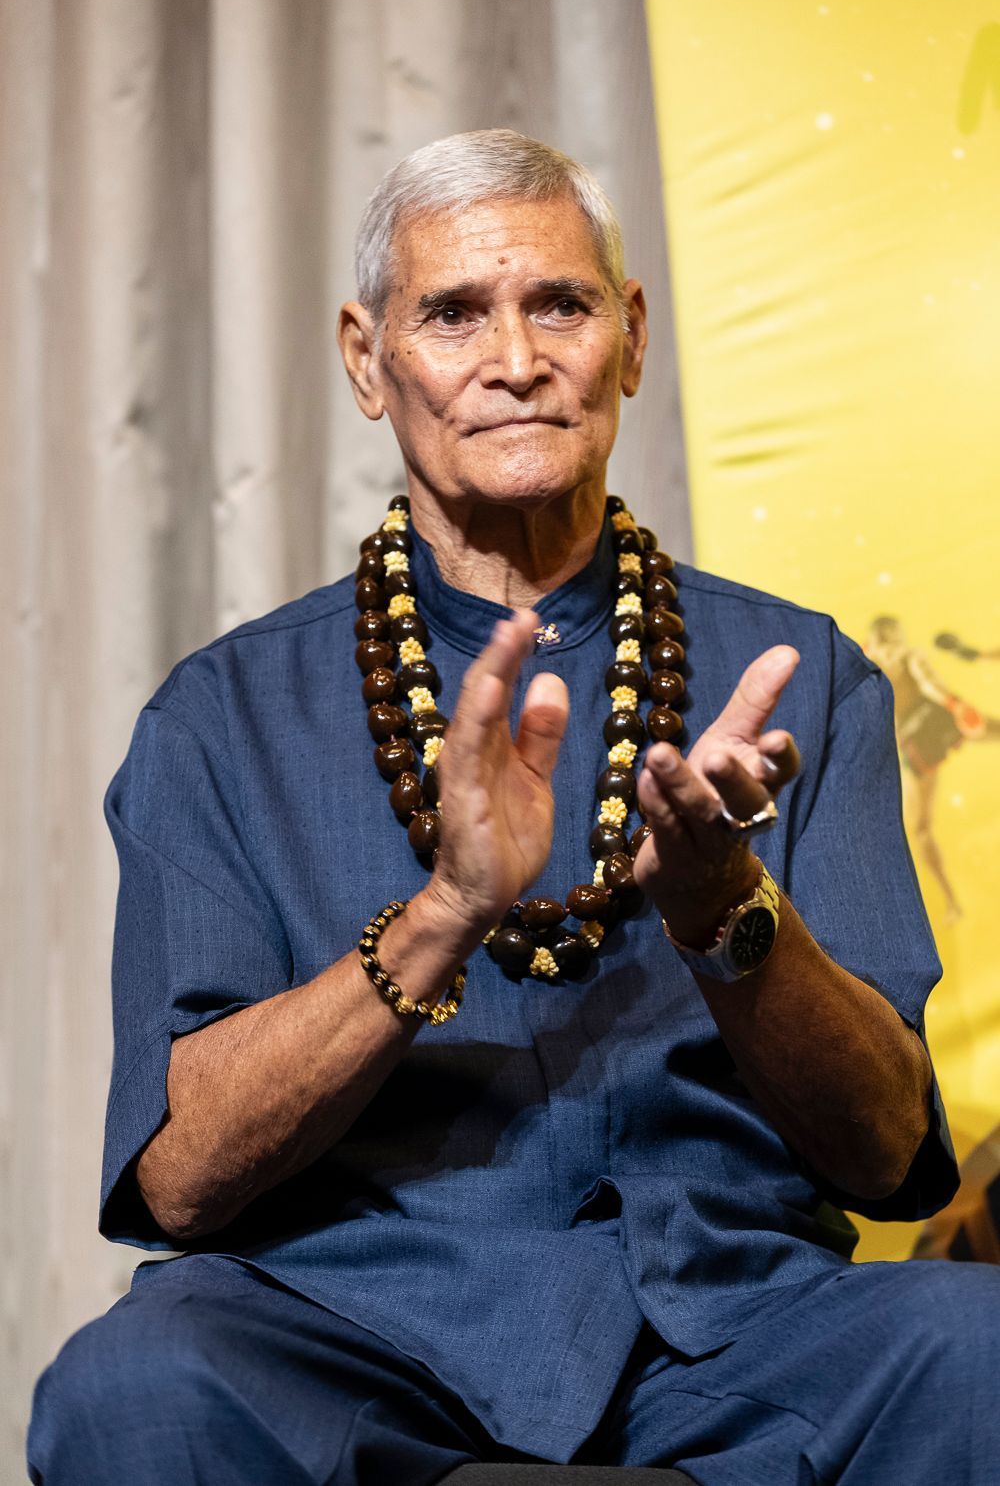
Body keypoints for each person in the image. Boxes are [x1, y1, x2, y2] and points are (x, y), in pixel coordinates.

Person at [27, 130, 998, 1485]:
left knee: (976, 1352)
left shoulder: (803, 677)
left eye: (560, 302)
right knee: (135, 1385)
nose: (517, 359)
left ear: (632, 338)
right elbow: (182, 1181)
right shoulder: (222, 716)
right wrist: (444, 915)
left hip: (731, 1340)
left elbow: (890, 1152)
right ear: (368, 360)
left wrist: (730, 910)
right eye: (453, 313)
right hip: (355, 1339)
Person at [868, 615, 1000, 923]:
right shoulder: (886, 658)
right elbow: (926, 681)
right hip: (925, 731)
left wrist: (956, 705)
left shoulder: (876, 661)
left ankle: (952, 902)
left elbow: (927, 681)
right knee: (921, 827)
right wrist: (956, 705)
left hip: (924, 730)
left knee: (921, 828)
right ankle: (952, 902)